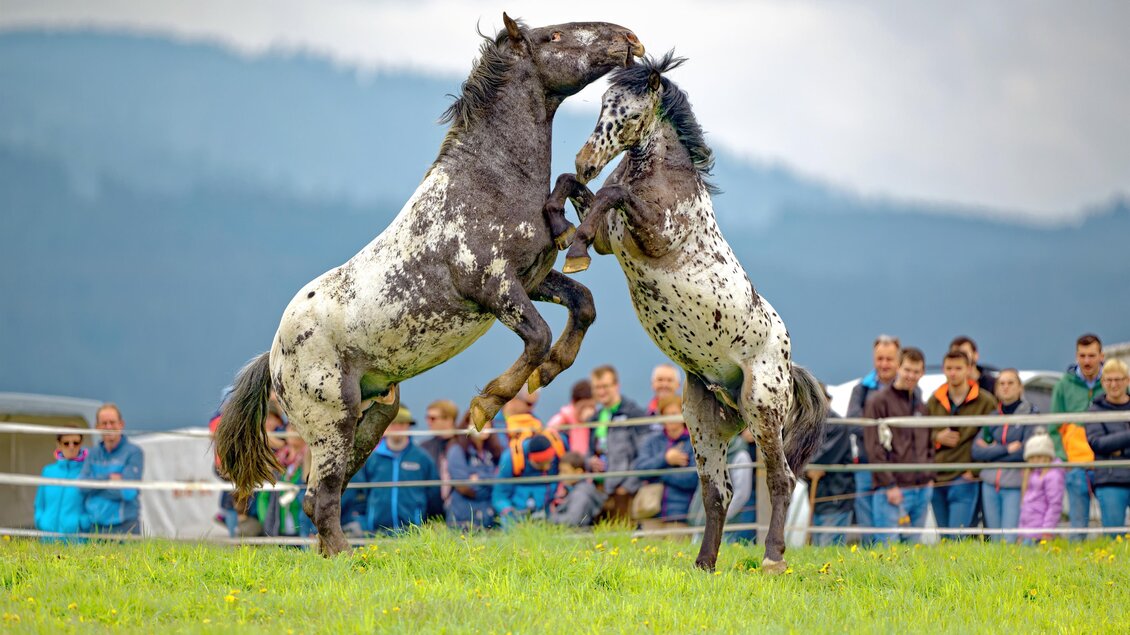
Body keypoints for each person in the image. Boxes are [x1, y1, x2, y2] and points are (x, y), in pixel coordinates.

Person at [864, 347, 933, 544]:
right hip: (892, 490)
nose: (911, 375)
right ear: (898, 368)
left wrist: (929, 478)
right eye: (907, 370)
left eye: (916, 371)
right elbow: (874, 447)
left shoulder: (921, 406)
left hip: (921, 489)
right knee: (888, 550)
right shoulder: (878, 402)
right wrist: (889, 485)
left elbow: (929, 444)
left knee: (913, 550)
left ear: (922, 373)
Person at [928, 350, 997, 537]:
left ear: (968, 369)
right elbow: (921, 435)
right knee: (944, 537)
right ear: (943, 369)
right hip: (937, 477)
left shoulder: (985, 401)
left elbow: (994, 439)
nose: (953, 373)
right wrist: (936, 437)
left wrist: (974, 471)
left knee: (957, 537)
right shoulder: (934, 400)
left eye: (958, 368)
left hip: (964, 478)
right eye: (949, 368)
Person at [972, 368, 1040, 542]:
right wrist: (1006, 449)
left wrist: (991, 452)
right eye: (1001, 383)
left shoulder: (1031, 415)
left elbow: (1026, 452)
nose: (1006, 387)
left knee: (1009, 539)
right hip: (989, 483)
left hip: (1015, 483)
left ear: (1020, 387)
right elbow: (976, 451)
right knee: (995, 540)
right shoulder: (992, 417)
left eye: (1010, 383)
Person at [846, 334, 901, 547]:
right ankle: (870, 560)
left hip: (896, 467)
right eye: (880, 359)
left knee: (895, 523)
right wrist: (883, 432)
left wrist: (873, 429)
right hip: (867, 465)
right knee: (867, 523)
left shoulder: (909, 389)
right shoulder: (861, 389)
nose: (884, 364)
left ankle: (896, 560)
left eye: (889, 359)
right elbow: (853, 423)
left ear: (898, 360)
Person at [1050, 333, 1104, 539]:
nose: (1087, 361)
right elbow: (1054, 427)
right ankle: (1076, 558)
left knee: (1112, 524)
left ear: (1101, 356)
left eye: (1092, 355)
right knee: (1078, 524)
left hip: (1106, 462)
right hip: (1075, 465)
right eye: (1082, 356)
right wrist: (1064, 460)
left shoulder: (1113, 381)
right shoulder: (1064, 385)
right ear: (1076, 356)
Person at [359, 406, 442, 534]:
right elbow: (360, 494)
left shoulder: (422, 458)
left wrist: (430, 524)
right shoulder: (371, 459)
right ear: (385, 426)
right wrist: (363, 523)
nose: (397, 429)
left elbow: (434, 496)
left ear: (409, 426)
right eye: (393, 424)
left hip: (414, 534)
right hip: (376, 533)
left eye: (402, 424)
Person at [586, 364, 648, 520]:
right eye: (597, 387)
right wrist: (590, 461)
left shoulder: (634, 413)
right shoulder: (595, 417)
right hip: (600, 489)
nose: (601, 392)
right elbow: (589, 451)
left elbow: (644, 454)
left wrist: (627, 486)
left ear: (616, 386)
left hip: (625, 492)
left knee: (623, 532)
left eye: (605, 386)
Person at [630, 395, 698, 531]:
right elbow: (639, 469)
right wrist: (665, 459)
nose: (670, 418)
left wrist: (659, 473)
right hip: (651, 512)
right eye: (666, 414)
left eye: (674, 414)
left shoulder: (694, 442)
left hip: (680, 514)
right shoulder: (652, 441)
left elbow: (692, 479)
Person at [80, 403, 144, 535]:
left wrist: (95, 487)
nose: (108, 427)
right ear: (97, 427)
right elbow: (82, 486)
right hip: (95, 528)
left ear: (121, 424)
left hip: (125, 527)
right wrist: (109, 478)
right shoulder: (92, 454)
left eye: (112, 422)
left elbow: (128, 492)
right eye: (104, 423)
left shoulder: (134, 452)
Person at [1085, 359, 1130, 532]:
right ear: (1102, 382)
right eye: (1108, 380)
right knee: (1114, 537)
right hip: (1109, 481)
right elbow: (1098, 444)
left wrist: (1118, 449)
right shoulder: (1094, 411)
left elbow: (1106, 443)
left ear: (1127, 380)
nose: (1113, 384)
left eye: (1118, 379)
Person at [687, 430, 755, 544]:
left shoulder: (740, 456)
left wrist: (721, 516)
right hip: (701, 523)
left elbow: (742, 494)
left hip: (724, 527)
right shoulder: (709, 453)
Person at [804, 405, 854, 546]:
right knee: (818, 548)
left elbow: (820, 459)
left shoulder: (836, 425)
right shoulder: (808, 423)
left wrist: (808, 467)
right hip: (819, 497)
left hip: (835, 497)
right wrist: (807, 469)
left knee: (828, 548)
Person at [492, 431, 567, 525]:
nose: (547, 467)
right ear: (530, 460)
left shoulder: (559, 448)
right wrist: (509, 513)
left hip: (550, 509)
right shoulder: (511, 459)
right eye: (541, 464)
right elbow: (499, 496)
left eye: (549, 462)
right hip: (518, 512)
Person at [446, 412, 503, 530]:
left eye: (487, 422)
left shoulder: (495, 450)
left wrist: (479, 478)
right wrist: (491, 482)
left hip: (490, 518)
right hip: (463, 518)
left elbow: (502, 481)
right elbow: (464, 486)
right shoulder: (457, 449)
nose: (484, 426)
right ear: (467, 425)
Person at [34, 432, 90, 541]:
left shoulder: (87, 472)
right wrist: (41, 521)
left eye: (75, 443)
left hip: (76, 542)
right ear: (59, 444)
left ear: (81, 444)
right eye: (66, 443)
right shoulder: (48, 471)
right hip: (47, 540)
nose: (71, 447)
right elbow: (39, 503)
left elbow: (93, 504)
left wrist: (81, 523)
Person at [257, 425, 309, 538]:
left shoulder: (309, 460)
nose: (293, 430)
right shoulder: (278, 460)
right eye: (290, 426)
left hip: (302, 530)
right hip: (277, 529)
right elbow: (264, 496)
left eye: (297, 427)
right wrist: (265, 521)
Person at [1017, 431, 1064, 544]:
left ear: (1048, 456)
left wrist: (1047, 530)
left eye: (1039, 457)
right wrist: (1020, 533)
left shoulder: (1053, 475)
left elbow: (1054, 505)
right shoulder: (1030, 474)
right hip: (1027, 532)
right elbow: (1025, 506)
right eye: (1032, 457)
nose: (1035, 460)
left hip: (1041, 533)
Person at [548, 451, 608, 527]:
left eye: (565, 472)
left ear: (578, 472)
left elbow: (573, 521)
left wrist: (549, 519)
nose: (560, 475)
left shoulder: (581, 494)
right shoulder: (573, 489)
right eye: (560, 471)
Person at [420, 399, 458, 505]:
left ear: (449, 420)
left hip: (458, 505)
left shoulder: (463, 446)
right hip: (432, 505)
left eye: (433, 418)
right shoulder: (424, 447)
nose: (428, 422)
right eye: (427, 418)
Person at [547, 379, 596, 455]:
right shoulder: (562, 419)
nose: (588, 411)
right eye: (583, 407)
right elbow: (548, 433)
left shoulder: (597, 419)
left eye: (591, 407)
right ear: (573, 403)